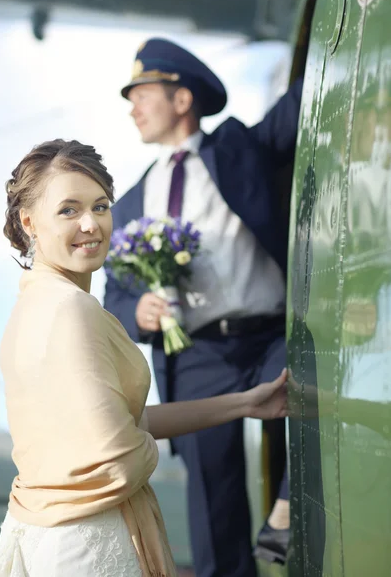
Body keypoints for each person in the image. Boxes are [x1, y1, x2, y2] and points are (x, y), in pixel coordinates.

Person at [0, 139, 288, 577]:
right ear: (29, 222)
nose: (91, 224)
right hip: (90, 548)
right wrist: (135, 450)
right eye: (69, 210)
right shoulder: (72, 309)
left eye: (100, 206)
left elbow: (122, 427)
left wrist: (245, 403)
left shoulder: (31, 306)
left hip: (43, 535)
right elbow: (114, 457)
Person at [104, 38, 303, 576]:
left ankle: (287, 512)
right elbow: (113, 297)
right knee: (213, 507)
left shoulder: (238, 146)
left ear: (182, 99)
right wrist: (138, 313)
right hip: (194, 357)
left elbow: (303, 102)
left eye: (142, 93)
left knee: (308, 387)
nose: (133, 107)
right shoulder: (130, 203)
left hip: (268, 334)